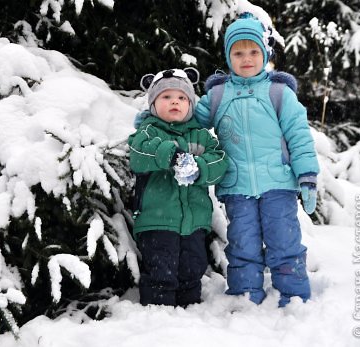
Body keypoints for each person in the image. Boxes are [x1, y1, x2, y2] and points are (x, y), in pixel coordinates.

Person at [134, 13, 320, 307]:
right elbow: (185, 117)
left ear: (265, 54)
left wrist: (307, 176)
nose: (246, 59)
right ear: (228, 56)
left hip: (278, 183)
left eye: (253, 51)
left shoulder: (278, 92)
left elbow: (299, 135)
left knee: (284, 241)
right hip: (237, 187)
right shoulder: (218, 95)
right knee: (243, 243)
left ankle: (294, 294)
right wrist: (153, 117)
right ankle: (246, 295)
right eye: (238, 52)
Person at [128, 67, 229, 307]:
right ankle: (158, 314)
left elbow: (220, 160)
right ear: (153, 104)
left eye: (182, 98)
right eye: (166, 97)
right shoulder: (148, 132)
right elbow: (138, 154)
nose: (175, 101)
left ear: (190, 105)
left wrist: (199, 168)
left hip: (194, 222)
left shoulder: (201, 136)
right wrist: (171, 156)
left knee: (192, 269)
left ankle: (189, 315)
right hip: (158, 221)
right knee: (161, 271)